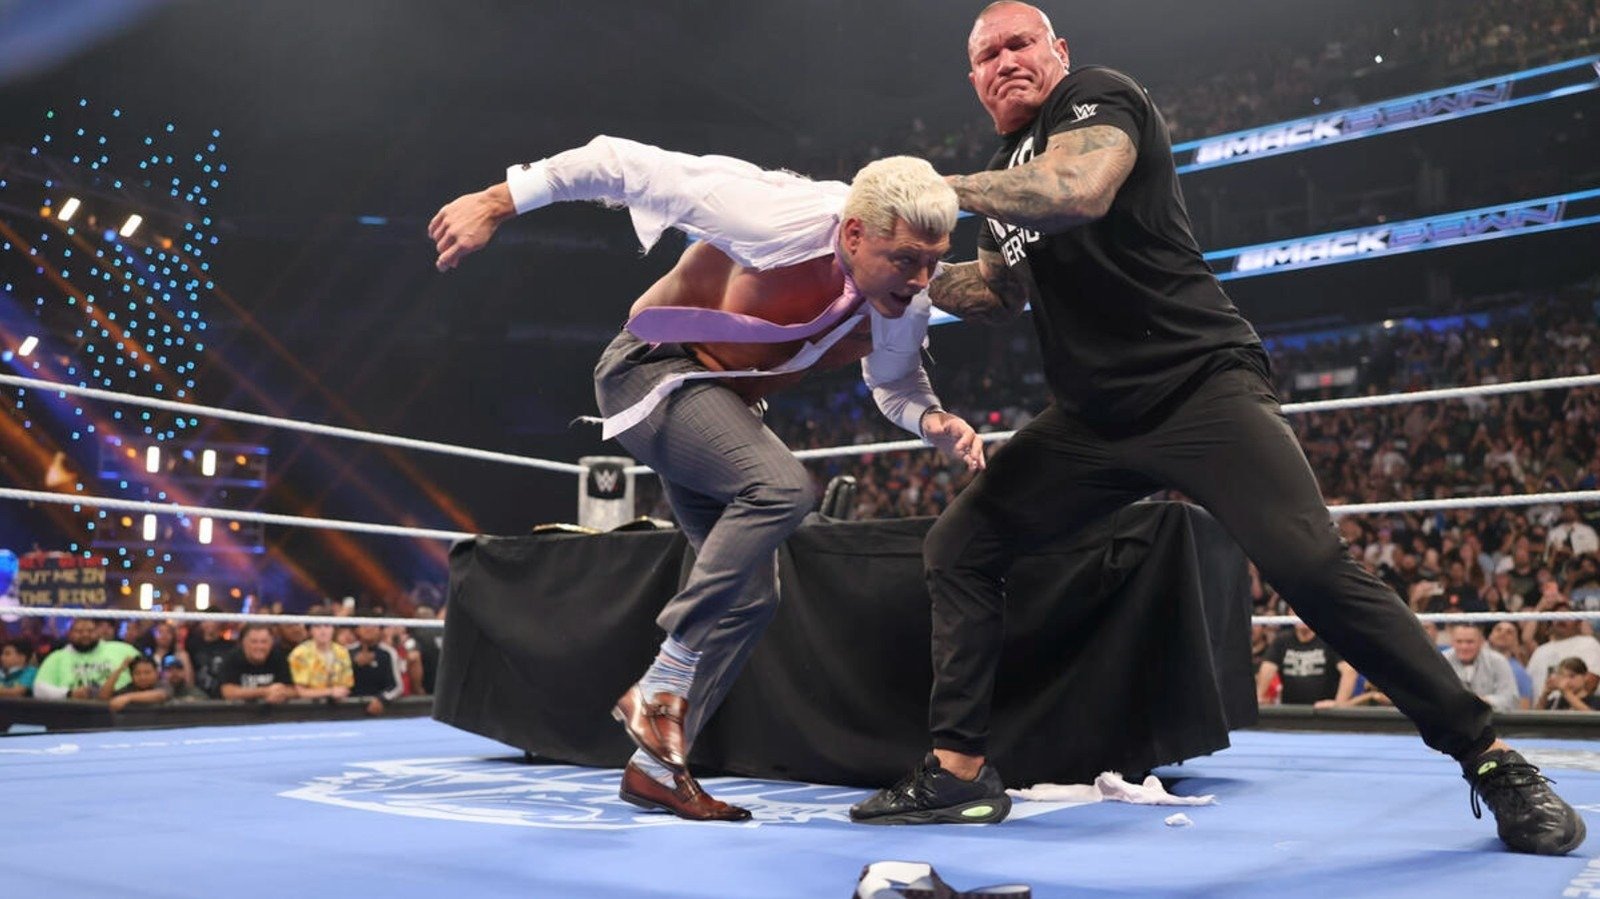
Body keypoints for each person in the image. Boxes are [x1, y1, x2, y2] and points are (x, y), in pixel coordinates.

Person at [851, 1, 1585, 857]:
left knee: (1312, 567)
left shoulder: (1097, 98)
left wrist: (934, 192)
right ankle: (957, 772)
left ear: (1059, 52)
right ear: (974, 79)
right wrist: (893, 267)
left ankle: (1492, 759)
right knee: (959, 544)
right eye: (988, 54)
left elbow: (1079, 190)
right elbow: (999, 292)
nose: (1006, 60)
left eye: (1021, 43)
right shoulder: (999, 173)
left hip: (1197, 386)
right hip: (1091, 418)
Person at [430, 136, 982, 821]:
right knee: (781, 488)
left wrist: (932, 419)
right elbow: (619, 162)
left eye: (933, 260)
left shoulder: (905, 301)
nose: (923, 279)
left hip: (719, 401)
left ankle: (655, 768)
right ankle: (662, 685)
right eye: (906, 259)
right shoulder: (767, 213)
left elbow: (895, 384)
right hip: (650, 368)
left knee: (753, 596)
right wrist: (497, 201)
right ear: (853, 233)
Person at [31, 618, 141, 700]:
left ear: (97, 632)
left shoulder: (123, 650)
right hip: (72, 713)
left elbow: (148, 674)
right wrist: (69, 693)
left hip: (120, 710)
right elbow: (39, 689)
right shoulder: (57, 657)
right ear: (69, 634)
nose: (85, 635)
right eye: (79, 631)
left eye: (90, 631)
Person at [1442, 624, 1520, 713]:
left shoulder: (1498, 661)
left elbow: (1510, 699)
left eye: (1470, 642)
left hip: (1490, 719)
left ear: (1481, 642)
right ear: (1452, 642)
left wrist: (1483, 702)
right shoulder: (1442, 660)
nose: (1464, 647)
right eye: (1459, 641)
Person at [217, 622, 297, 704]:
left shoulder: (280, 657)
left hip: (275, 710)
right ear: (243, 643)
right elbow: (228, 692)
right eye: (254, 642)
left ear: (272, 642)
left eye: (264, 642)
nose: (259, 647)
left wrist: (281, 693)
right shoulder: (232, 658)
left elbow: (294, 690)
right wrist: (265, 692)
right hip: (237, 710)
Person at [288, 616, 354, 703]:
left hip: (338, 706)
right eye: (317, 626)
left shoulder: (342, 652)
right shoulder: (299, 654)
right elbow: (301, 692)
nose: (323, 631)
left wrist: (339, 692)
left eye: (327, 626)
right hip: (308, 706)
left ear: (333, 629)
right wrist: (330, 692)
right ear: (310, 630)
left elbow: (346, 687)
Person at [100, 654, 171, 713]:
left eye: (147, 672)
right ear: (131, 676)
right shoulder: (130, 687)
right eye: (137, 673)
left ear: (156, 673)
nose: (142, 677)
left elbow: (160, 695)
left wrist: (128, 698)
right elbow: (104, 696)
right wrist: (120, 669)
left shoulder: (163, 684)